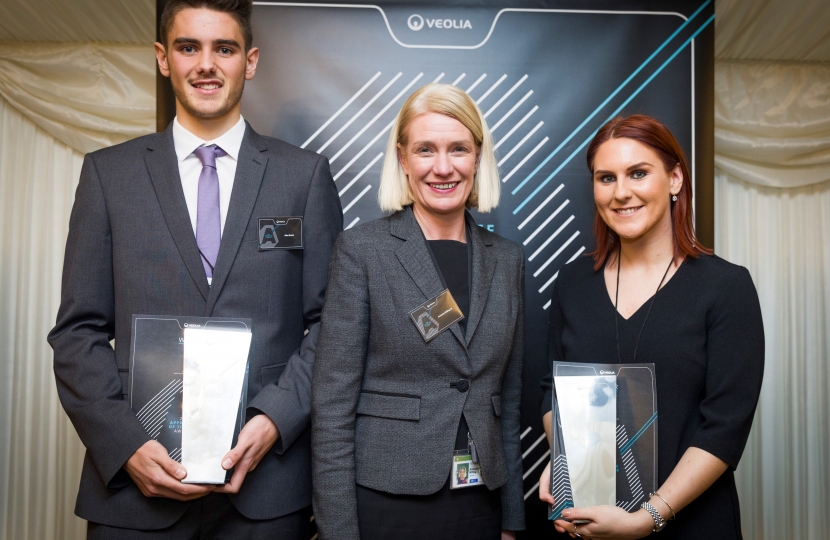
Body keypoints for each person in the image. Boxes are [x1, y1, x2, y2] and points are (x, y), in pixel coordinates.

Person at [47, 0, 342, 538]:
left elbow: (332, 323)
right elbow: (77, 333)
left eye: (223, 48)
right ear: (163, 59)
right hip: (135, 494)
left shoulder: (304, 177)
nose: (206, 64)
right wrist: (125, 445)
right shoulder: (108, 175)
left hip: (266, 491)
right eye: (188, 47)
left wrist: (277, 418)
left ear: (249, 61)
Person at [311, 83, 525, 540]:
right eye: (425, 150)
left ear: (477, 158)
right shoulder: (363, 250)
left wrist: (511, 522)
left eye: (458, 149)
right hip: (387, 504)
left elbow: (506, 399)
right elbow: (332, 407)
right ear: (404, 159)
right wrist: (338, 532)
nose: (443, 167)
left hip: (479, 502)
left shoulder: (507, 260)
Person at [537, 114, 764, 539]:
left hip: (692, 525)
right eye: (606, 178)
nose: (621, 192)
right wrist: (564, 458)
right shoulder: (573, 282)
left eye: (638, 173)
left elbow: (725, 426)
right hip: (589, 522)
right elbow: (551, 391)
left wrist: (647, 518)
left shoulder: (726, 287)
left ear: (675, 178)